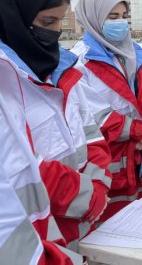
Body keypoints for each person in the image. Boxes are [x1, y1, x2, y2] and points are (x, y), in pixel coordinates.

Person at [0, 0, 111, 255]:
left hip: (85, 222)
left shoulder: (63, 71)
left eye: (60, 22)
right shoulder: (6, 82)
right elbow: (22, 168)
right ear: (13, 18)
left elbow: (92, 135)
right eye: (47, 21)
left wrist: (97, 187)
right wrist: (86, 196)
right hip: (42, 235)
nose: (56, 32)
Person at [72, 0, 142, 222]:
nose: (121, 23)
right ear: (92, 19)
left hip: (140, 158)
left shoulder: (140, 55)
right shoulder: (79, 61)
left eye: (124, 16)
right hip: (109, 162)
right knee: (109, 232)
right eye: (112, 17)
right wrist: (138, 132)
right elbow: (93, 117)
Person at [0, 56, 82, 264]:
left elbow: (89, 130)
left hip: (56, 236)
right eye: (47, 21)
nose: (56, 30)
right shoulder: (13, 75)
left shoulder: (65, 65)